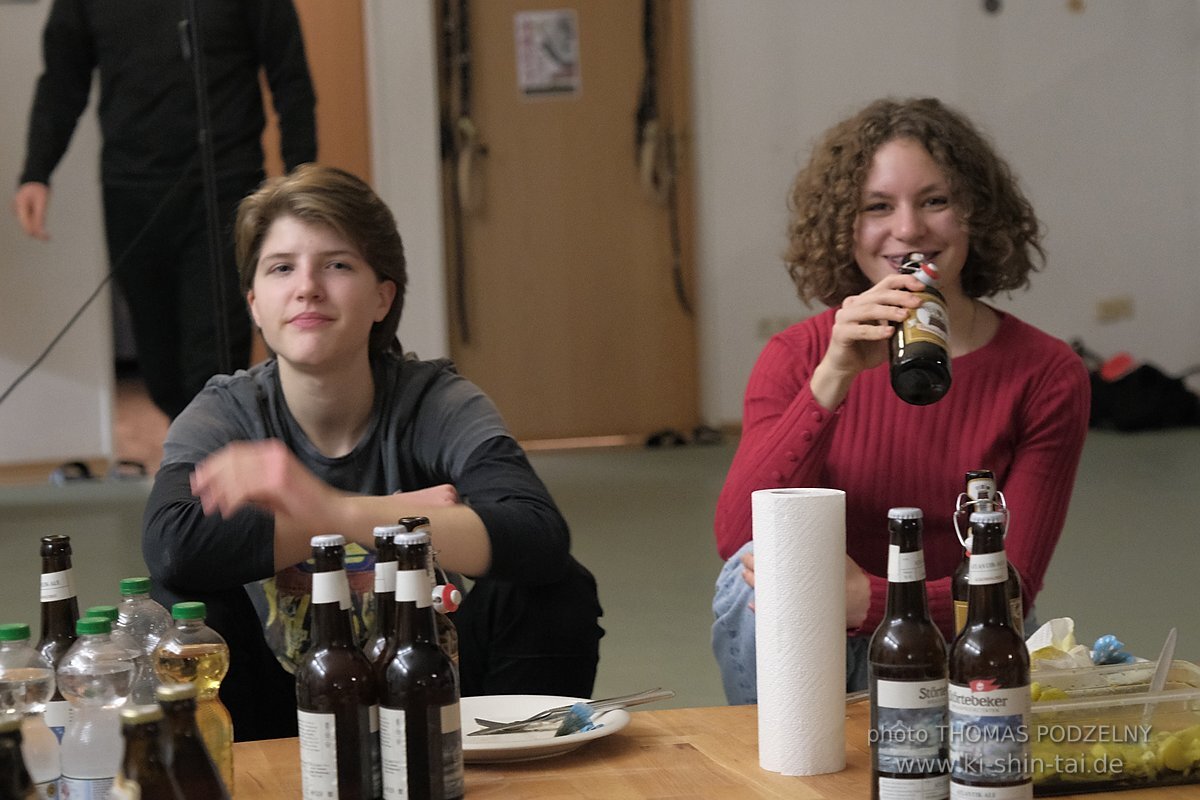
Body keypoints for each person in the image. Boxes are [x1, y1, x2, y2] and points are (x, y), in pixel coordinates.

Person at [142, 164, 604, 741]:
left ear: (383, 296)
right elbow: (172, 548)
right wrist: (397, 511)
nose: (307, 286)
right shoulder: (225, 412)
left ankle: (516, 766)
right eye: (282, 268)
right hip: (279, 711)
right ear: (256, 304)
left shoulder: (435, 401)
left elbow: (537, 534)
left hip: (433, 693)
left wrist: (332, 512)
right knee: (184, 604)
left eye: (337, 264)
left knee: (554, 588)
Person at [711, 97, 1090, 705]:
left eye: (935, 201)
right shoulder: (796, 355)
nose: (909, 230)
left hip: (954, 636)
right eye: (877, 207)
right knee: (761, 567)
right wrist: (832, 376)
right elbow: (738, 541)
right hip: (812, 631)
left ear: (977, 215)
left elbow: (1013, 586)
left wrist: (875, 602)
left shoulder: (1045, 373)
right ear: (845, 228)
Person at [12, 0, 317, 419]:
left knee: (212, 363)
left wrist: (301, 186)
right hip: (130, 193)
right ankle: (193, 459)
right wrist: (36, 171)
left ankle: (210, 470)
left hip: (224, 189)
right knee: (161, 371)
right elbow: (62, 82)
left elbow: (291, 78)